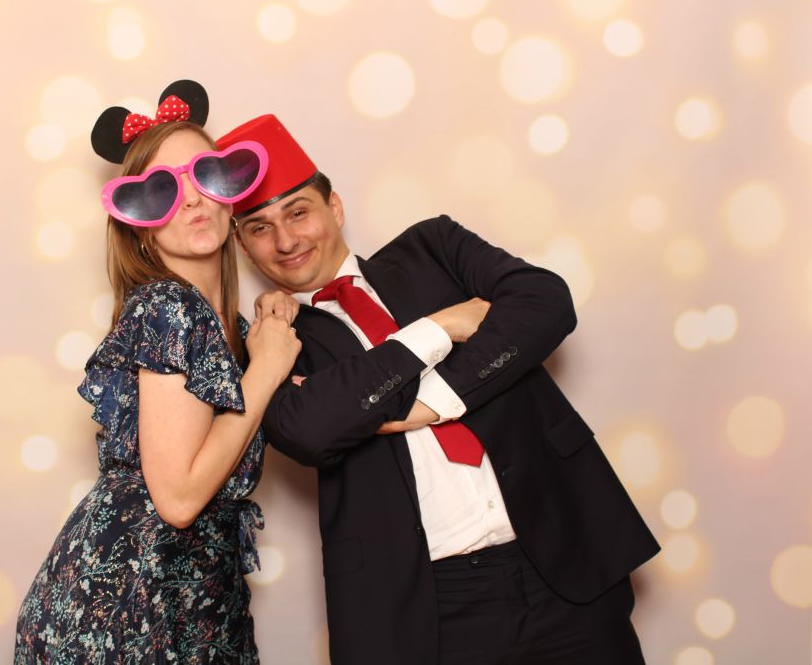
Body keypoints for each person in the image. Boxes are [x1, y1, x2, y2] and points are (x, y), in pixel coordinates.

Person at [217, 114, 660, 664]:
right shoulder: (273, 341)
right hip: (428, 608)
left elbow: (544, 302)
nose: (285, 240)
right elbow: (307, 430)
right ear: (243, 247)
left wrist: (434, 402)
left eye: (298, 212)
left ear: (335, 207)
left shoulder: (433, 249)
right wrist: (438, 327)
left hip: (560, 564)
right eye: (259, 228)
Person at [14, 82, 300, 664]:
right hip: (130, 605)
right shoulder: (169, 308)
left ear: (230, 194)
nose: (192, 200)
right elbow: (178, 499)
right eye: (163, 190)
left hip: (190, 595)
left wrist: (267, 330)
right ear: (140, 224)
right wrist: (267, 368)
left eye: (206, 176)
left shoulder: (222, 326)